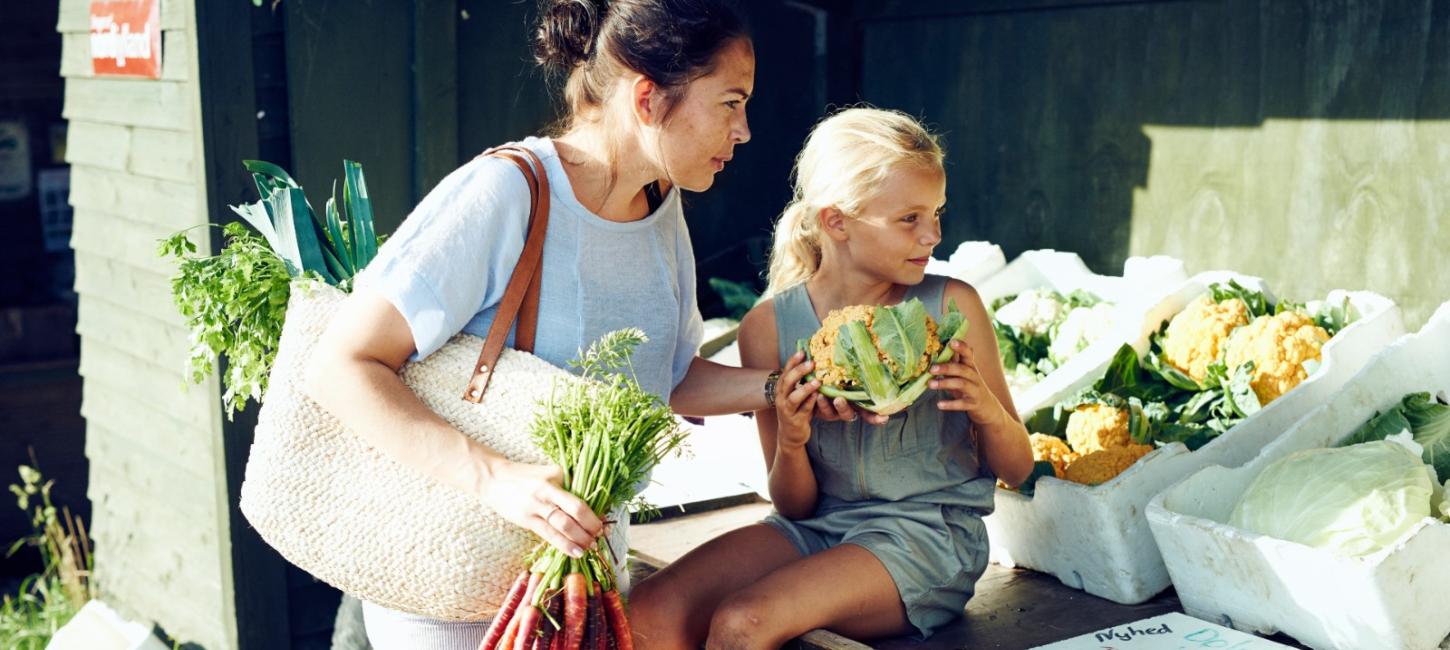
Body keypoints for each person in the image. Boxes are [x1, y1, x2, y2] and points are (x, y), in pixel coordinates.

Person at [301, 1, 842, 646]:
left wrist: (783, 386)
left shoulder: (661, 211)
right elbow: (340, 365)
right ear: (648, 98)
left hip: (581, 590)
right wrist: (496, 479)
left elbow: (659, 382)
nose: (746, 130)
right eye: (730, 102)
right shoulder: (505, 193)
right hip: (456, 592)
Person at [627, 107, 1035, 649]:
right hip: (814, 529)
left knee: (741, 622)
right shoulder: (769, 327)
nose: (932, 234)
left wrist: (984, 408)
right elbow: (794, 506)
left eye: (936, 213)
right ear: (837, 221)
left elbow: (1019, 469)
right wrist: (793, 440)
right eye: (909, 218)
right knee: (646, 614)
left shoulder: (951, 305)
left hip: (927, 538)